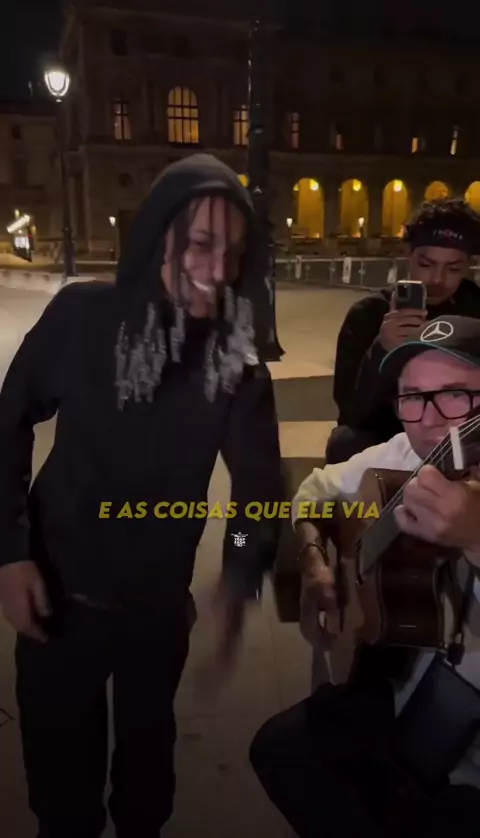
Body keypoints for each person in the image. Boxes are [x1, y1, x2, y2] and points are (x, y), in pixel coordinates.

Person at [0, 154, 283, 838]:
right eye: (200, 244)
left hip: (156, 611)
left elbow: (257, 493)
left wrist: (237, 573)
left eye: (233, 254)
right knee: (62, 797)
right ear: (160, 236)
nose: (217, 269)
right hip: (56, 599)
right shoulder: (84, 317)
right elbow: (8, 425)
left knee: (146, 783)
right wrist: (10, 552)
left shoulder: (237, 367)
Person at [251, 314, 480, 838]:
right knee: (278, 750)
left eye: (456, 395)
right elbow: (313, 491)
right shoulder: (399, 453)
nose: (429, 420)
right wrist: (316, 564)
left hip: (467, 760)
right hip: (396, 688)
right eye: (413, 397)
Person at [326, 198, 480, 464]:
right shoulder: (369, 313)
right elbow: (351, 412)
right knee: (345, 442)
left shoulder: (475, 308)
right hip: (387, 434)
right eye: (426, 264)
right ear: (408, 254)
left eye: (453, 268)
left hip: (461, 432)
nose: (437, 279)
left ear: (468, 265)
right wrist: (381, 349)